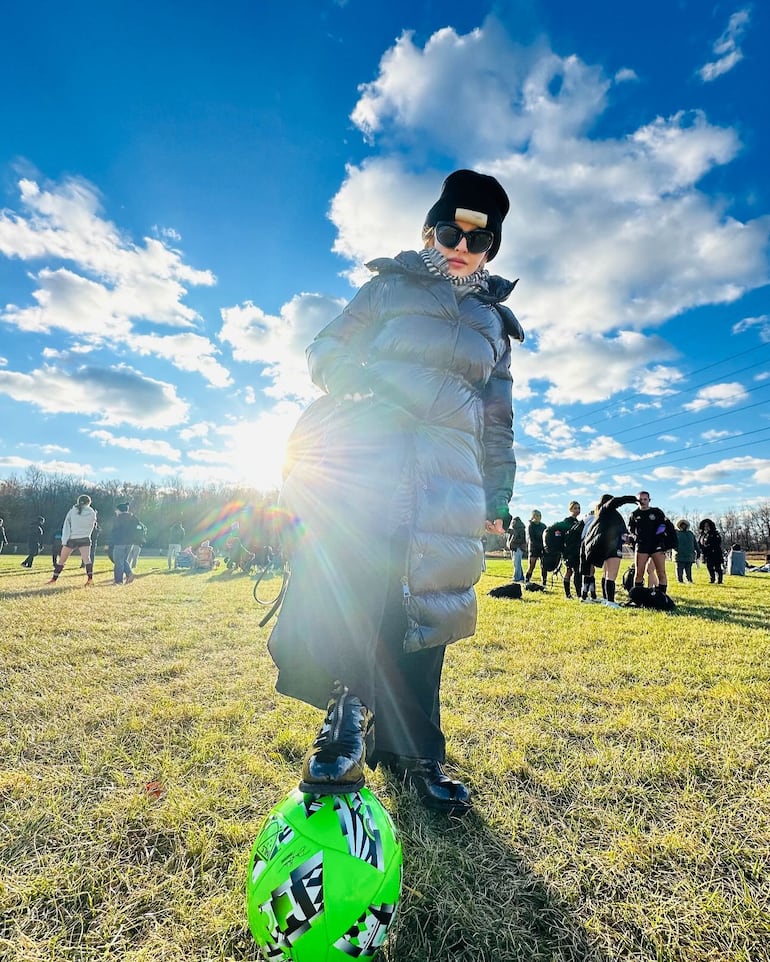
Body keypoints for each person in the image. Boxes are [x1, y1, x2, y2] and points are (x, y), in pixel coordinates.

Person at [266, 169, 523, 816]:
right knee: (359, 586)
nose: (462, 245)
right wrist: (355, 382)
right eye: (449, 230)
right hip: (370, 455)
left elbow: (499, 419)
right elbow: (327, 345)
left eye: (480, 239)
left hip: (448, 474)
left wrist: (498, 498)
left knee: (429, 605)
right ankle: (347, 721)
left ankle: (417, 755)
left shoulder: (494, 322)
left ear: (492, 248)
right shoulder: (387, 288)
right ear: (428, 232)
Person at [581, 493, 637, 606]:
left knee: (606, 573)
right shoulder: (606, 510)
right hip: (611, 546)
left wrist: (629, 538)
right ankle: (610, 601)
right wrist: (630, 499)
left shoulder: (606, 515)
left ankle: (607, 599)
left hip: (607, 545)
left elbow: (621, 531)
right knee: (612, 574)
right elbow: (615, 502)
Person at [46, 495, 98, 586]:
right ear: (89, 503)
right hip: (85, 538)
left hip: (72, 539)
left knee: (62, 560)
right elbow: (92, 525)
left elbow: (66, 526)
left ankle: (54, 579)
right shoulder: (92, 512)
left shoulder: (72, 511)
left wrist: (65, 540)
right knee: (87, 559)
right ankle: (90, 579)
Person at [629, 491, 671, 596]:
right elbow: (631, 530)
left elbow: (663, 525)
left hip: (657, 545)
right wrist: (636, 537)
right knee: (639, 573)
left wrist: (657, 535)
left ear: (649, 500)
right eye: (640, 500)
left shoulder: (656, 512)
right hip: (642, 546)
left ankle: (662, 597)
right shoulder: (634, 514)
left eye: (645, 499)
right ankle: (638, 597)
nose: (642, 501)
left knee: (661, 572)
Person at [110, 502, 144, 585]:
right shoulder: (133, 517)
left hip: (120, 542)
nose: (115, 511)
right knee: (123, 560)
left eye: (116, 510)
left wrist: (111, 542)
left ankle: (119, 580)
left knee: (118, 561)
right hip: (130, 543)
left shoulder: (119, 518)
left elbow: (115, 531)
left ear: (120, 510)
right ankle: (129, 575)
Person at [698, 519, 724, 584]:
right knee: (709, 567)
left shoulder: (715, 534)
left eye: (707, 526)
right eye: (705, 526)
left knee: (717, 567)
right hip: (707, 554)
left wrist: (707, 547)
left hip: (715, 553)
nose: (706, 527)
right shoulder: (702, 535)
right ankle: (712, 578)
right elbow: (699, 543)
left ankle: (719, 580)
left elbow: (717, 543)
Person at [525, 510, 546, 585]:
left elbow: (545, 537)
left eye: (539, 516)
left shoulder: (543, 526)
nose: (538, 517)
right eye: (536, 516)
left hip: (542, 548)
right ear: (533, 516)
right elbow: (531, 539)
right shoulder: (531, 526)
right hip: (533, 548)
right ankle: (527, 581)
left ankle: (544, 582)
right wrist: (539, 546)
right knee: (532, 566)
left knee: (543, 566)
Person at [506, 515, 526, 582]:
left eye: (514, 521)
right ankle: (521, 577)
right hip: (514, 548)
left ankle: (517, 578)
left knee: (516, 564)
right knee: (517, 564)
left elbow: (522, 539)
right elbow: (508, 531)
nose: (512, 523)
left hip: (518, 548)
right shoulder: (514, 530)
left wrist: (514, 543)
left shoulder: (520, 530)